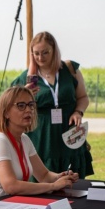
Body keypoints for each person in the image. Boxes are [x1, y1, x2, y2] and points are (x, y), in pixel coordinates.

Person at [11, 31, 93, 178]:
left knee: (73, 180)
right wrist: (25, 94)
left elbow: (83, 97)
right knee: (42, 179)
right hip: (42, 136)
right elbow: (10, 104)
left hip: (69, 132)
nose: (40, 57)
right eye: (36, 53)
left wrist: (78, 112)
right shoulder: (27, 77)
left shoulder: (70, 69)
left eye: (45, 52)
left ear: (54, 50)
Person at [0, 85, 78, 197]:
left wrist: (61, 177)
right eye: (21, 106)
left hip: (12, 202)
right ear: (6, 113)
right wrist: (53, 186)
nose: (28, 110)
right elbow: (11, 186)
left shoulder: (24, 139)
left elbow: (44, 176)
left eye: (31, 105)